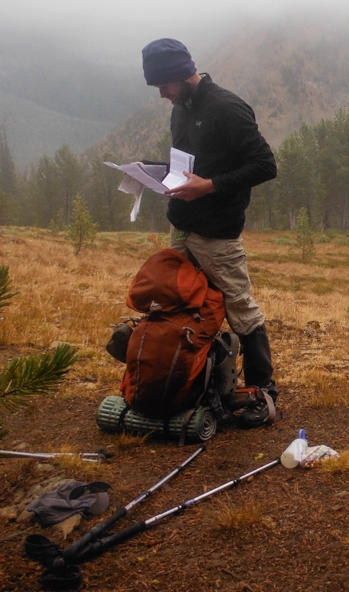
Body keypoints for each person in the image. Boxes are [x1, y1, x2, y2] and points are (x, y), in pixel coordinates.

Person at [142, 37, 278, 426]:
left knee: (239, 308)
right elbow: (184, 163)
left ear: (183, 74)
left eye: (164, 86)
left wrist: (210, 185)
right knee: (179, 303)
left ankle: (263, 391)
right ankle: (192, 381)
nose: (162, 95)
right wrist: (150, 173)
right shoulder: (181, 110)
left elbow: (266, 165)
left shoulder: (227, 108)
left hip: (217, 231)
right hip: (182, 225)